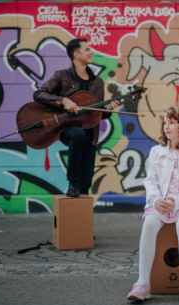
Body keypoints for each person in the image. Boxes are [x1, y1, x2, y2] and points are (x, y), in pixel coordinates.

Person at [127, 106, 179, 305]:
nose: (167, 127)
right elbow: (150, 181)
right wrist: (155, 200)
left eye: (172, 122)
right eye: (165, 122)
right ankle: (143, 283)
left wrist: (178, 202)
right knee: (149, 224)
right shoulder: (157, 152)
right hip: (162, 202)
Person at [33, 38, 119, 197]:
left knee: (85, 186)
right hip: (67, 128)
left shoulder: (97, 82)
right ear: (76, 54)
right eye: (87, 50)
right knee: (77, 134)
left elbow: (97, 112)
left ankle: (79, 212)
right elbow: (39, 94)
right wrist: (63, 100)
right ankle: (72, 183)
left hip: (90, 134)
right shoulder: (62, 76)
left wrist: (107, 110)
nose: (91, 52)